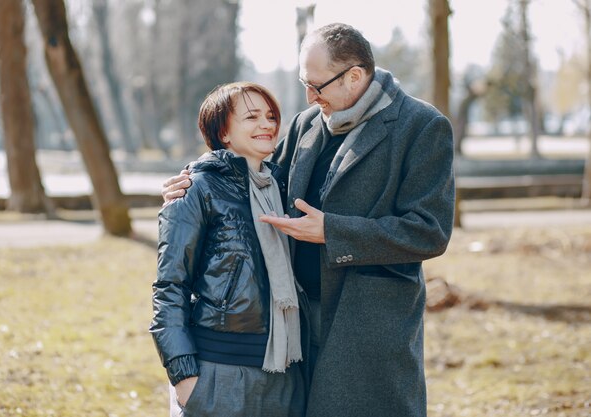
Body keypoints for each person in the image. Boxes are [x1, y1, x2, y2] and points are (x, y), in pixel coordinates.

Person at [162, 23, 455, 417]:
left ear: (354, 76)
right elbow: (252, 175)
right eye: (305, 83)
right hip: (294, 328)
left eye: (317, 85)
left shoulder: (421, 126)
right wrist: (193, 182)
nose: (308, 96)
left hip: (368, 324)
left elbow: (429, 231)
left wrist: (333, 232)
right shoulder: (307, 124)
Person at [150, 81, 307, 417]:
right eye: (251, 117)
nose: (266, 124)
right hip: (218, 368)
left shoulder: (285, 189)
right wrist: (183, 375)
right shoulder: (195, 188)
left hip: (284, 371)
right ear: (223, 132)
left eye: (270, 116)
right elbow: (170, 287)